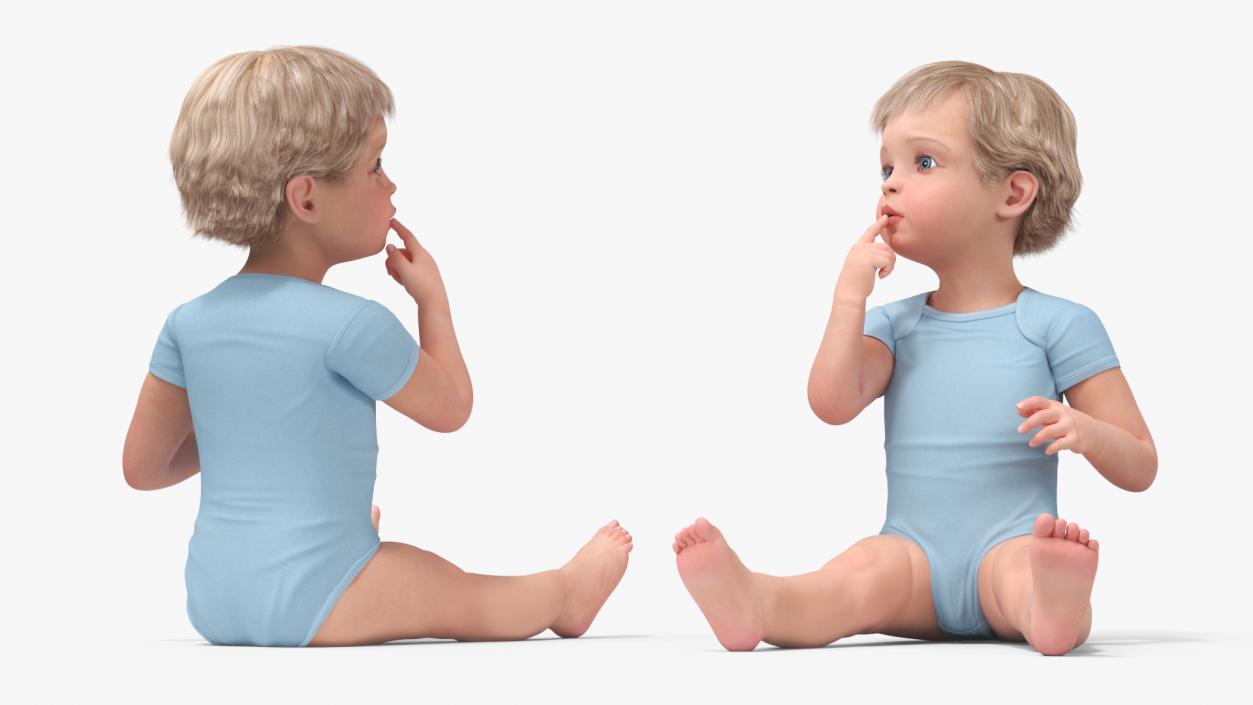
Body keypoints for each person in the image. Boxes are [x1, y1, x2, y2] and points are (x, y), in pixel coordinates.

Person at [122, 46, 631, 647]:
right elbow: (450, 411)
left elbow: (144, 469)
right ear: (306, 198)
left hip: (213, 599)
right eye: (376, 165)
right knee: (457, 591)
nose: (392, 184)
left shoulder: (187, 322)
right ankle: (564, 593)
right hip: (320, 595)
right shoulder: (351, 323)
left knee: (367, 558)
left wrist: (248, 426)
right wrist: (432, 304)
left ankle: (333, 546)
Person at [673, 60, 1156, 656]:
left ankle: (1053, 607)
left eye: (923, 162)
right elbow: (831, 404)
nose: (891, 184)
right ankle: (760, 603)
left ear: (1013, 192)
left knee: (1023, 571)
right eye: (887, 167)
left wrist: (1087, 431)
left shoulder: (1060, 324)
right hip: (912, 557)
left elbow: (1140, 464)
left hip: (1007, 547)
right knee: (853, 574)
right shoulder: (895, 326)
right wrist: (849, 297)